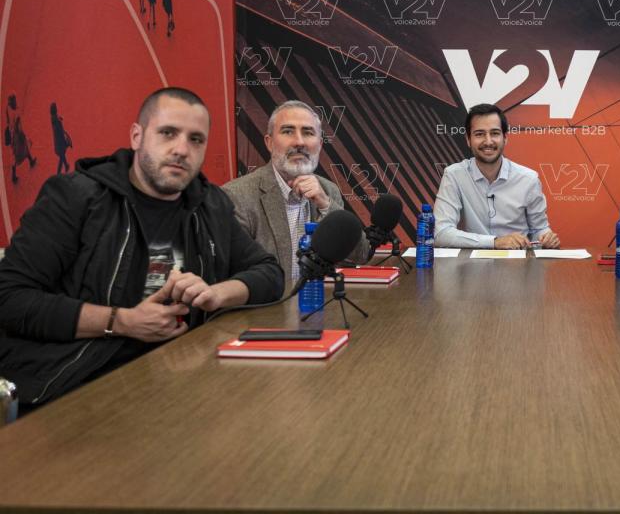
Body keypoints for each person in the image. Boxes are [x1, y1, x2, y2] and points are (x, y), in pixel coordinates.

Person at [0, 87, 283, 409]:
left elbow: (270, 273)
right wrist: (121, 321)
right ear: (137, 136)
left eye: (195, 139)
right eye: (167, 133)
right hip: (80, 385)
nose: (181, 149)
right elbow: (9, 298)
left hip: (184, 380)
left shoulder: (208, 204)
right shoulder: (75, 198)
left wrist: (216, 293)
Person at [223, 100, 369, 291]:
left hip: (318, 309)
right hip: (265, 312)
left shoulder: (328, 190)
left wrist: (326, 205)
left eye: (308, 133)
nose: (299, 142)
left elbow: (360, 255)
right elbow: (234, 274)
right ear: (269, 142)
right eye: (288, 131)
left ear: (319, 144)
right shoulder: (237, 196)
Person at [434, 103, 560, 249]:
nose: (488, 141)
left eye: (494, 133)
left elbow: (539, 229)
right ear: (468, 140)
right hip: (471, 266)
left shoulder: (529, 179)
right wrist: (494, 242)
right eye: (479, 134)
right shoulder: (454, 175)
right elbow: (441, 233)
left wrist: (547, 237)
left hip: (518, 265)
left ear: (505, 138)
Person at [5, 94, 36, 184]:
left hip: (11, 135)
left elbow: (7, 120)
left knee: (18, 152)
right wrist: (23, 135)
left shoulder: (8, 108)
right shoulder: (16, 113)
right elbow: (19, 128)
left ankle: (30, 161)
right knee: (21, 150)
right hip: (17, 136)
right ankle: (14, 175)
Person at [50, 102, 72, 174]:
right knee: (62, 156)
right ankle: (58, 173)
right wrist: (65, 141)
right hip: (60, 141)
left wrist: (59, 118)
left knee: (62, 154)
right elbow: (60, 132)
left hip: (57, 141)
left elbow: (56, 118)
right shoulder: (57, 122)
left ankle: (66, 165)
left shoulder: (53, 118)